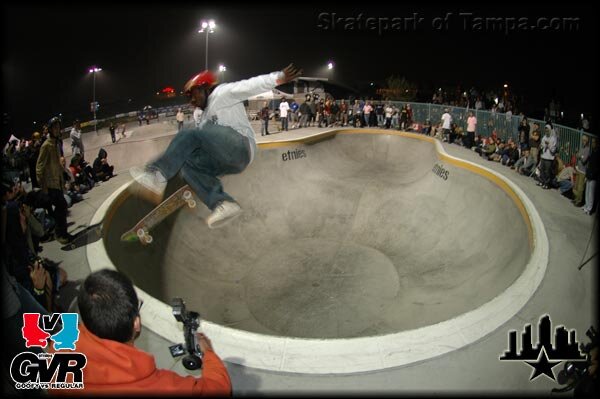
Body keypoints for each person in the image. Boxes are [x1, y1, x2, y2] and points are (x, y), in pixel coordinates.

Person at [130, 64, 302, 229]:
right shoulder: (201, 114)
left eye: (193, 94)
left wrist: (279, 78)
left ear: (205, 88)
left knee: (190, 133)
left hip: (241, 146)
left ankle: (157, 175)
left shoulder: (222, 93)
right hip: (227, 160)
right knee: (187, 166)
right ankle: (222, 203)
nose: (191, 100)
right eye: (188, 97)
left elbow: (249, 86)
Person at [48, 269, 232, 396]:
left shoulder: (55, 351)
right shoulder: (158, 387)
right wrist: (209, 355)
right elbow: (219, 389)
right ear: (136, 323)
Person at [36, 117, 72, 244]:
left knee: (62, 207)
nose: (57, 130)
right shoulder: (46, 145)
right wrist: (43, 186)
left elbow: (57, 163)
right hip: (50, 184)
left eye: (58, 128)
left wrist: (64, 174)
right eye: (55, 128)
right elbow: (39, 168)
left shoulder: (56, 143)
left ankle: (63, 233)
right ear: (50, 130)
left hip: (58, 182)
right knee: (61, 206)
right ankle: (59, 233)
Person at [538, 123, 558, 189]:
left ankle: (546, 184)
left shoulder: (553, 139)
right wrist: (542, 146)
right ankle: (542, 181)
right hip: (543, 156)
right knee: (542, 170)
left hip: (549, 158)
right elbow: (542, 145)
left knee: (547, 171)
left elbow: (553, 150)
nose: (546, 131)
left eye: (547, 130)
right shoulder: (544, 137)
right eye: (545, 130)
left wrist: (548, 144)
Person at [573, 135, 590, 207]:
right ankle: (575, 199)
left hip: (583, 170)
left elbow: (584, 160)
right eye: (583, 140)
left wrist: (580, 155)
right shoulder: (581, 148)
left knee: (580, 187)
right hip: (578, 168)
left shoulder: (587, 149)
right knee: (576, 185)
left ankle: (579, 201)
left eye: (585, 140)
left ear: (587, 141)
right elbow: (577, 156)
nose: (583, 142)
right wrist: (580, 155)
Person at [582, 136, 598, 215]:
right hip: (589, 174)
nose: (593, 144)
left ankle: (589, 208)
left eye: (594, 143)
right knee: (587, 191)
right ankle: (586, 205)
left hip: (593, 176)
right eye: (593, 143)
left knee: (591, 193)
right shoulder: (592, 152)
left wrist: (593, 173)